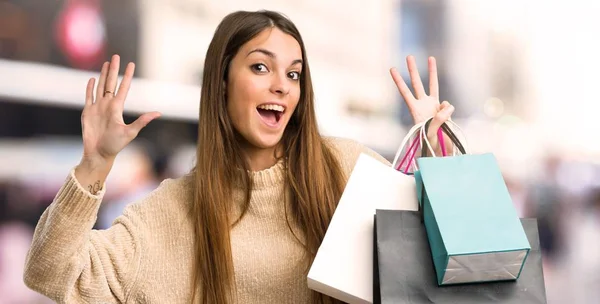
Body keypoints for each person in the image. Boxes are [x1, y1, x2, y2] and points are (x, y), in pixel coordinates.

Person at [23, 10, 455, 304]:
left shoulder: (345, 168)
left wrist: (437, 158)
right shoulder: (172, 212)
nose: (283, 86)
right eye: (261, 67)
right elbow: (50, 271)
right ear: (222, 81)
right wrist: (94, 166)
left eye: (293, 74)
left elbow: (446, 253)